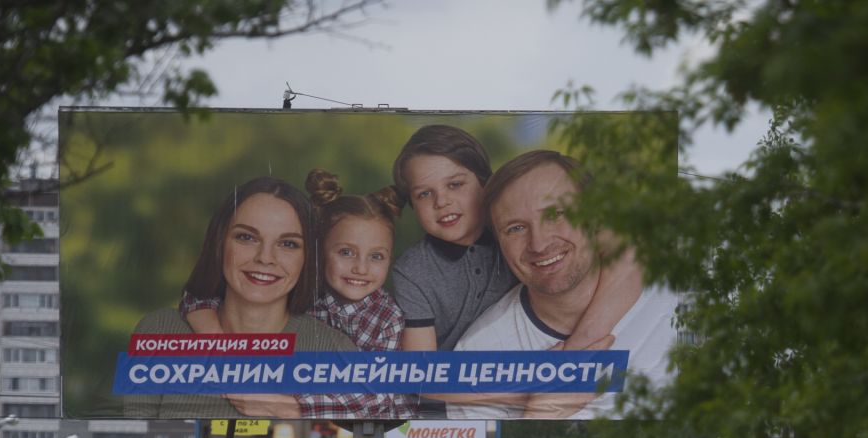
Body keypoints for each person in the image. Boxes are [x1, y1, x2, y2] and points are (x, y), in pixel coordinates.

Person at [386, 125, 644, 417]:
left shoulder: (514, 231)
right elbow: (422, 378)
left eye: (455, 184)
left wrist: (576, 354)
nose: (441, 201)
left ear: (485, 183)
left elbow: (626, 250)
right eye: (423, 194)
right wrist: (541, 385)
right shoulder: (414, 271)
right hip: (448, 404)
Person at [123, 176, 386, 419]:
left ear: (308, 258)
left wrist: (291, 408)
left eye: (288, 244)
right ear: (220, 242)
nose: (265, 258)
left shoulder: (334, 350)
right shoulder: (160, 332)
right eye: (246, 237)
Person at [448, 151, 683, 420]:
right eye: (515, 228)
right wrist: (541, 415)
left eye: (557, 213)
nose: (539, 243)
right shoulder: (479, 355)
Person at [182, 169, 415, 418]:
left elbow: (376, 396)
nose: (361, 268)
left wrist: (292, 406)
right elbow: (199, 296)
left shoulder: (388, 318)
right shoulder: (304, 291)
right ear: (318, 251)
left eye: (377, 256)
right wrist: (217, 343)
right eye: (346, 252)